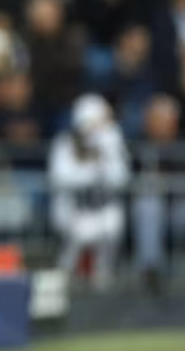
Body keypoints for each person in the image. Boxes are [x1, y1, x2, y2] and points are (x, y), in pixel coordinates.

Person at [49, 94, 131, 292]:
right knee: (76, 241)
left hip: (102, 206)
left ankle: (103, 273)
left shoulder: (111, 141)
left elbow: (121, 178)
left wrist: (110, 150)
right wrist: (91, 172)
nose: (95, 127)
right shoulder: (65, 142)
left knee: (112, 223)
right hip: (73, 208)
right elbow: (60, 177)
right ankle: (64, 278)